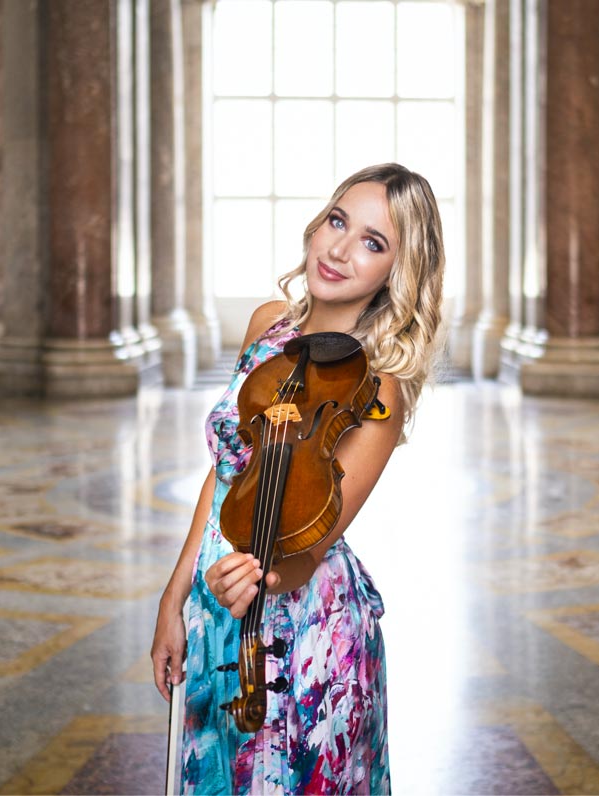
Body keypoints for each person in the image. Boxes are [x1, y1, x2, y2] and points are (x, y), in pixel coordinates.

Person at [150, 162, 445, 794]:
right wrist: (175, 597)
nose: (339, 250)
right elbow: (226, 473)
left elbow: (312, 547)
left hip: (307, 629)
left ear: (397, 271)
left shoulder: (380, 388)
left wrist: (261, 581)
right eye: (337, 221)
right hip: (216, 593)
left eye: (373, 242)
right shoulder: (267, 326)